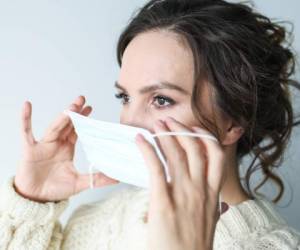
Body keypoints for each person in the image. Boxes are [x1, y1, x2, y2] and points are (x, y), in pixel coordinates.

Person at [1, 0, 300, 249]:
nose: (129, 122)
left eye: (161, 100)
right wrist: (30, 204)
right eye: (125, 97)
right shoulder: (103, 219)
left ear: (234, 120)